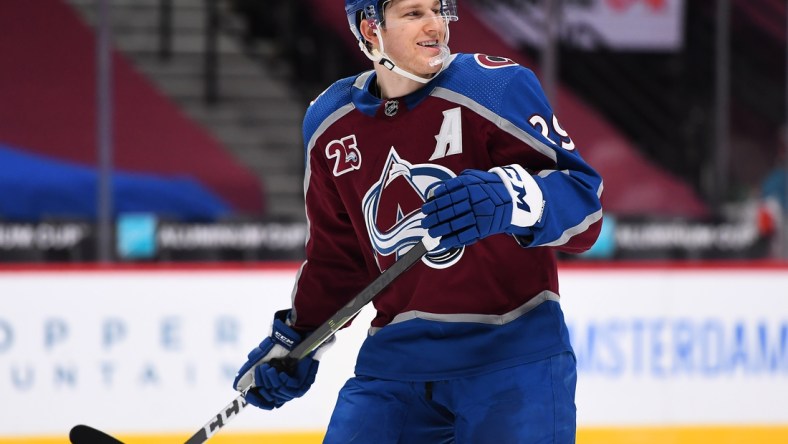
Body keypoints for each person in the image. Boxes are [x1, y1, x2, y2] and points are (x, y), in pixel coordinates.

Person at [233, 0, 604, 442]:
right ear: (371, 29)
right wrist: (296, 337)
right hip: (397, 365)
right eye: (414, 14)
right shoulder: (330, 124)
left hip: (512, 356)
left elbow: (586, 209)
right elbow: (340, 257)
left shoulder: (493, 87)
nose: (436, 26)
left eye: (439, 9)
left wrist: (515, 197)